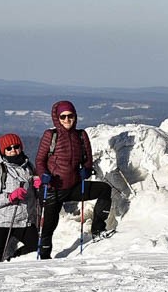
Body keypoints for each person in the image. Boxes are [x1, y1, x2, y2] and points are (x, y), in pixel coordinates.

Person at [34, 100, 113, 259]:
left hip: (74, 186)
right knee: (49, 226)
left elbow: (87, 159)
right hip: (53, 189)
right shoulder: (51, 135)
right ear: (57, 118)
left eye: (70, 116)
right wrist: (44, 175)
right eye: (63, 117)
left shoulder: (81, 135)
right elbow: (40, 160)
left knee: (104, 190)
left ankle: (97, 230)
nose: (67, 120)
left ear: (75, 117)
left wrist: (86, 170)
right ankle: (44, 257)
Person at [0, 133, 38, 263]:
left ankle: (12, 261)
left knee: (36, 248)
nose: (13, 150)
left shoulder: (28, 167)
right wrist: (10, 196)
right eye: (8, 148)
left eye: (16, 146)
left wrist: (37, 186)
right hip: (1, 221)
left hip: (25, 221)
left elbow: (32, 193)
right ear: (3, 151)